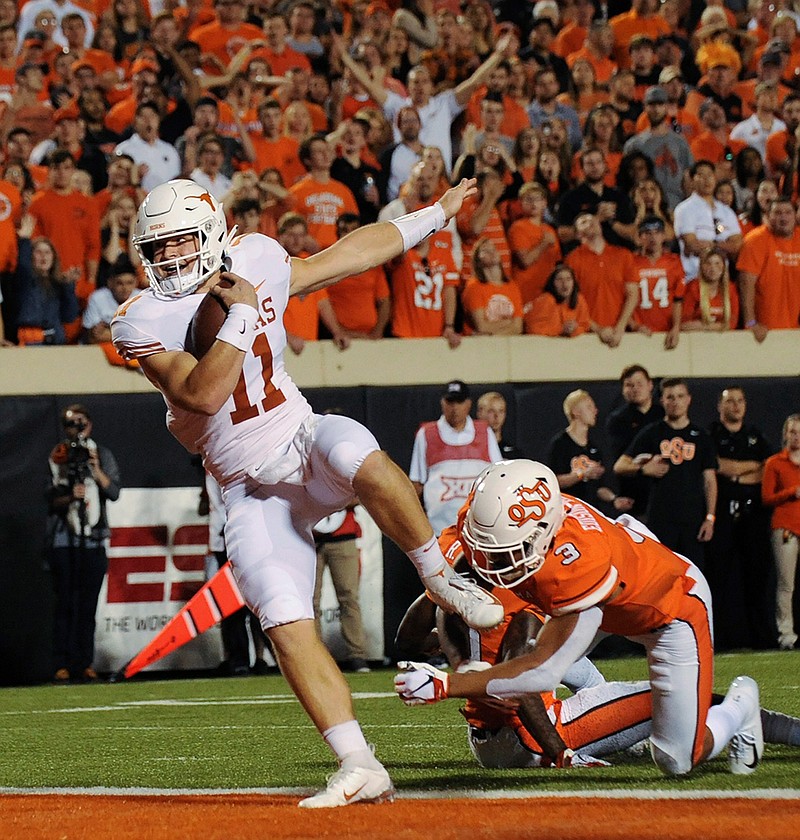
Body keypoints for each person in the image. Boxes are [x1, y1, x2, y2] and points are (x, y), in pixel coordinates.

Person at [111, 177, 503, 808]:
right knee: (282, 614)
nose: (169, 261)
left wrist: (434, 215)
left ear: (212, 233)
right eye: (157, 250)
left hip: (299, 442)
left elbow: (346, 255)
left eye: (181, 243)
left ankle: (439, 578)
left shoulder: (260, 256)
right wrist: (241, 314)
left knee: (352, 446)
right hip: (245, 485)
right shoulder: (139, 318)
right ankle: (359, 763)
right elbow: (204, 393)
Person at [394, 459, 765, 779]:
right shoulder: (489, 518)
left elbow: (541, 671)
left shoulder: (573, 567)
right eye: (485, 548)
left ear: (542, 537)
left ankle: (738, 707)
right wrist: (460, 654)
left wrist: (447, 684)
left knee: (678, 758)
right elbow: (446, 606)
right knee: (538, 653)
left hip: (667, 610)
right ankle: (612, 720)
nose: (489, 564)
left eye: (506, 554)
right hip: (602, 593)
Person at [47, 404, 120, 682]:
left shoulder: (101, 454)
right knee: (65, 602)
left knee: (88, 605)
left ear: (90, 424)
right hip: (64, 539)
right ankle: (61, 662)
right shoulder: (58, 456)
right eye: (70, 423)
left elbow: (113, 491)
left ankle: (84, 661)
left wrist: (96, 469)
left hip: (92, 538)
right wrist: (70, 495)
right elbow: (49, 498)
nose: (77, 428)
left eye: (81, 422)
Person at [613, 378, 718, 570]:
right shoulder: (652, 433)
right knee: (659, 572)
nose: (675, 401)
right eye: (670, 397)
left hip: (692, 521)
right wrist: (643, 469)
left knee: (693, 575)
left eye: (680, 396)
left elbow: (710, 480)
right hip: (660, 519)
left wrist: (710, 518)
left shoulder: (701, 436)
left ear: (688, 399)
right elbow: (620, 465)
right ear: (662, 401)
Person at [707, 387, 775, 651]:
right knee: (718, 581)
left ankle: (762, 639)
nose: (735, 406)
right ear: (719, 406)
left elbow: (769, 468)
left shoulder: (755, 436)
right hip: (721, 515)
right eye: (729, 401)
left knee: (757, 579)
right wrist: (747, 468)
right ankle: (718, 640)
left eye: (739, 401)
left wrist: (734, 474)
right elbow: (717, 466)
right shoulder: (710, 435)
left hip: (753, 516)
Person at [409, 379, 502, 537]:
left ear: (468, 403)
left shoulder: (485, 432)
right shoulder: (426, 434)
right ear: (442, 403)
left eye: (459, 402)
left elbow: (497, 476)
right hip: (440, 530)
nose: (455, 408)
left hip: (478, 529)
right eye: (450, 402)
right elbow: (417, 483)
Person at [547, 389, 633, 515]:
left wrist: (614, 499)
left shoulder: (594, 448)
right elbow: (554, 481)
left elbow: (598, 488)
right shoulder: (560, 444)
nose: (595, 411)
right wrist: (581, 475)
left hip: (590, 513)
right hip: (568, 513)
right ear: (576, 412)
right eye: (589, 407)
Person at [313, 502, 371, 674]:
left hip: (344, 536)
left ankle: (357, 655)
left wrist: (336, 500)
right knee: (310, 600)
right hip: (308, 536)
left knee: (349, 596)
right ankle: (314, 657)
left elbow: (358, 493)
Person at [736, 196, 800, 343]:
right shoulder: (755, 240)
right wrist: (751, 323)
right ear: (767, 216)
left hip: (794, 329)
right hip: (763, 332)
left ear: (795, 215)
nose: (783, 217)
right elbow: (746, 285)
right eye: (777, 213)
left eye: (788, 212)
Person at [762, 413, 800, 651]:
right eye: (793, 431)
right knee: (786, 584)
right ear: (785, 434)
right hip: (785, 527)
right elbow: (766, 498)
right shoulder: (775, 463)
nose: (796, 437)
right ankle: (786, 634)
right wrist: (791, 492)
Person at [605, 364, 663, 518]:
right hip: (633, 500)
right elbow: (618, 461)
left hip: (664, 496)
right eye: (629, 385)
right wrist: (643, 467)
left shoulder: (664, 414)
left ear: (650, 385)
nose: (635, 389)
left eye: (639, 384)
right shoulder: (618, 420)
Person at [673, 159, 743, 282]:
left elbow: (737, 245)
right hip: (694, 278)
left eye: (710, 175)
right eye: (701, 175)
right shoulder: (684, 209)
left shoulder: (726, 211)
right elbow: (692, 245)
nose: (706, 179)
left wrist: (712, 244)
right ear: (692, 180)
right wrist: (724, 245)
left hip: (722, 278)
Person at [476, 391, 523, 460]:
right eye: (491, 411)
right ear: (480, 413)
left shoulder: (513, 452)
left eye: (501, 411)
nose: (496, 416)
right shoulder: (472, 449)